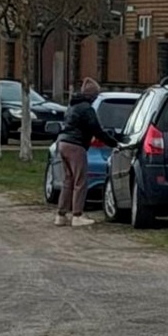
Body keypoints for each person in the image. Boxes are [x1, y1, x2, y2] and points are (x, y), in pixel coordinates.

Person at [53, 76, 111, 229]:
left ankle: (61, 215)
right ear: (92, 95)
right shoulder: (87, 109)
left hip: (63, 143)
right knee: (80, 180)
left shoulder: (72, 106)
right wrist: (114, 142)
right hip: (76, 146)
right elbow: (97, 130)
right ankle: (77, 215)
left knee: (68, 181)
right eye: (96, 95)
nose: (96, 98)